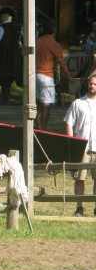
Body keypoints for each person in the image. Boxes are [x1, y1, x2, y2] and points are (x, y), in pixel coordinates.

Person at [64, 73, 96, 216]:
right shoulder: (78, 103)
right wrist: (71, 142)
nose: (92, 86)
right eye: (91, 83)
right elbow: (69, 123)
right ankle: (79, 207)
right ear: (87, 84)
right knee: (79, 178)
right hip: (82, 146)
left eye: (95, 84)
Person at [35, 20, 75, 129]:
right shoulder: (54, 44)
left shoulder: (37, 41)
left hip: (34, 75)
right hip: (46, 75)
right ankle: (43, 128)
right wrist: (69, 77)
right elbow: (62, 63)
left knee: (39, 102)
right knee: (47, 104)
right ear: (55, 31)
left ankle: (36, 125)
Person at [0, 7, 22, 104]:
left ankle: (5, 98)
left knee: (3, 77)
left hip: (3, 57)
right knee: (8, 78)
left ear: (3, 17)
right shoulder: (17, 28)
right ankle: (6, 97)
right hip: (14, 58)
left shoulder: (1, 28)